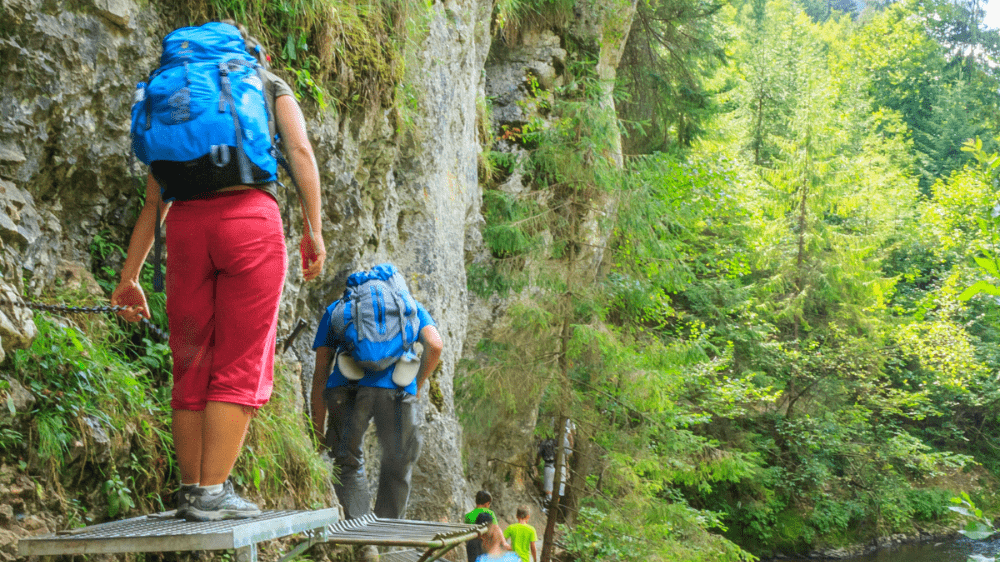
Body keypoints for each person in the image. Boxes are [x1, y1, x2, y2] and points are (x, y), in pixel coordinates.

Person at [112, 21, 326, 522]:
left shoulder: (177, 91)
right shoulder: (262, 82)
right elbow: (300, 151)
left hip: (185, 227)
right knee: (241, 359)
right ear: (254, 51)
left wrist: (130, 277)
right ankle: (213, 492)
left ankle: (192, 489)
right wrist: (313, 228)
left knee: (191, 361)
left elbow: (153, 200)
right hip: (249, 221)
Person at [310, 265, 443, 520]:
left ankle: (364, 544)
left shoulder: (338, 308)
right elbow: (435, 345)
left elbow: (320, 374)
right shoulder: (410, 307)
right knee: (398, 464)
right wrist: (416, 385)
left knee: (347, 462)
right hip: (398, 389)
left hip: (347, 388)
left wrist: (317, 430)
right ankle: (388, 539)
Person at [465, 490, 506, 561]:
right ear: (487, 504)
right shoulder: (490, 513)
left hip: (472, 544)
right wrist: (504, 543)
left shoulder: (468, 515)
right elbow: (496, 528)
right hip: (486, 544)